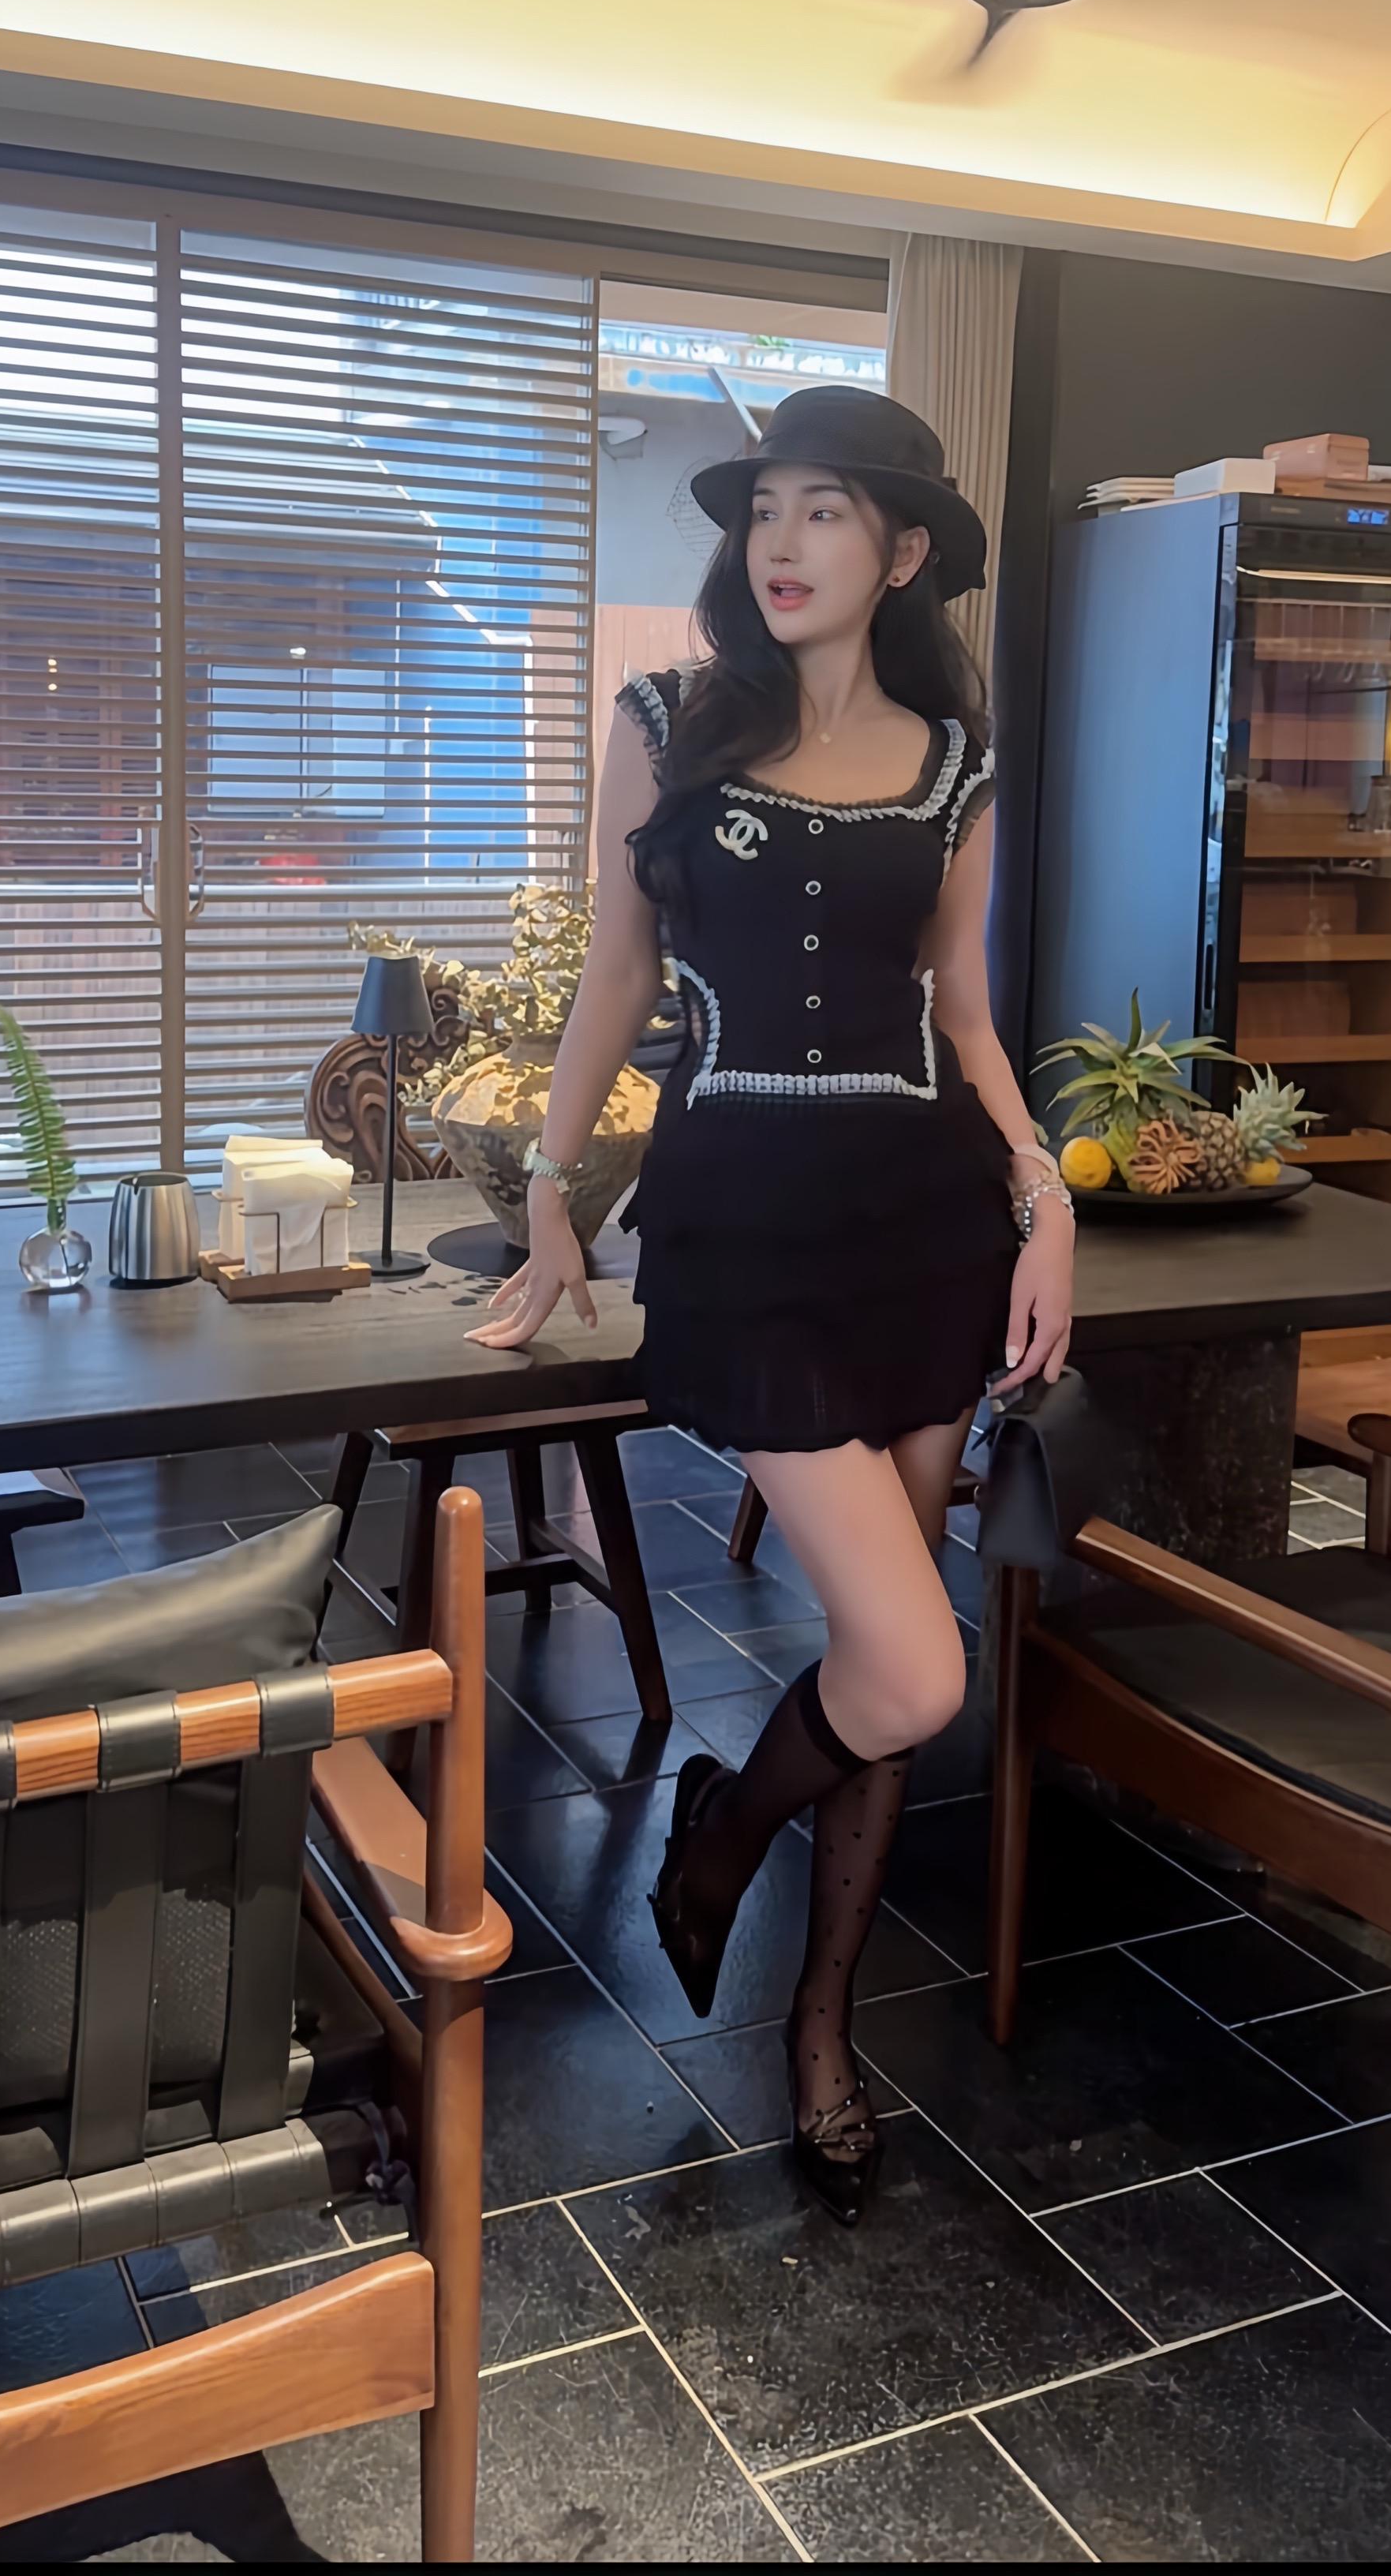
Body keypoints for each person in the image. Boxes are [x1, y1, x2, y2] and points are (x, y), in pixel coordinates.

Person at [468, 386, 1075, 2224]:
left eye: (826, 510)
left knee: (876, 1656)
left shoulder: (954, 758)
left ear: (902, 550)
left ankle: (820, 2020)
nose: (782, 542)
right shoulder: (665, 722)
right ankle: (724, 1827)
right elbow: (613, 972)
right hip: (743, 1224)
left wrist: (1042, 1193)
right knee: (914, 1661)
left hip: (927, 1224)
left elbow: (962, 1011)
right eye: (764, 510)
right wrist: (551, 1183)